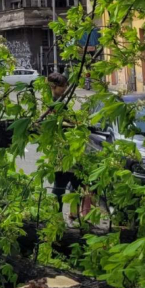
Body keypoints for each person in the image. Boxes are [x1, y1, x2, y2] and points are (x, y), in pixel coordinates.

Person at [48, 72, 93, 219]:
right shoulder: (52, 103)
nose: (66, 89)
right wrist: (75, 124)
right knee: (60, 187)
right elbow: (56, 122)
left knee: (77, 184)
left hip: (72, 151)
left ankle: (74, 215)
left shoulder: (62, 101)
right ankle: (57, 218)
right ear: (53, 87)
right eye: (63, 86)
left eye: (66, 86)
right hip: (61, 153)